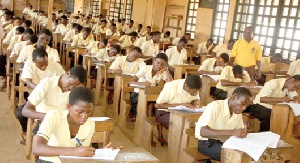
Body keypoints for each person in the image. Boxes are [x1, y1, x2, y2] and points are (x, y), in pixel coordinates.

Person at [33, 87, 117, 163]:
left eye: (89, 112)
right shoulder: (54, 116)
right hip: (48, 161)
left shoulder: (90, 124)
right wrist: (74, 151)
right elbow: (37, 148)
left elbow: (83, 154)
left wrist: (103, 153)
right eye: (80, 112)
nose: (85, 116)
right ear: (69, 107)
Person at [19, 66, 87, 132]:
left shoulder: (76, 91)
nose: (71, 88)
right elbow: (25, 111)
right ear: (67, 73)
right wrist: (50, 117)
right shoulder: (46, 83)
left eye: (75, 87)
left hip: (63, 122)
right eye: (71, 83)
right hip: (45, 120)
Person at [195, 87, 252, 161]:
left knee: (248, 152)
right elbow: (203, 132)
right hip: (207, 143)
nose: (244, 108)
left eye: (246, 106)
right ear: (234, 97)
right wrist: (233, 132)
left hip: (224, 142)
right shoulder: (215, 106)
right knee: (235, 156)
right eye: (243, 103)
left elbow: (239, 131)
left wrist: (242, 133)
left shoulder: (237, 113)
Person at [155, 75, 202, 147]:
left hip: (183, 113)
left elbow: (194, 99)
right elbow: (158, 105)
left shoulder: (193, 86)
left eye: (197, 92)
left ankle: (187, 146)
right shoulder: (171, 86)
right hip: (164, 112)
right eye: (194, 92)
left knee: (198, 123)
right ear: (186, 86)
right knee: (180, 124)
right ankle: (176, 147)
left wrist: (196, 102)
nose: (195, 93)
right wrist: (181, 104)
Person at [129, 53, 173, 117]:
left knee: (157, 103)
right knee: (147, 105)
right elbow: (131, 82)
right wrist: (142, 84)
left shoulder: (162, 72)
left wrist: (166, 70)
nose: (159, 66)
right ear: (154, 61)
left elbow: (170, 83)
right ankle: (142, 118)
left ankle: (149, 119)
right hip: (137, 94)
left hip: (150, 95)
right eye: (158, 63)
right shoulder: (145, 68)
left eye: (162, 64)